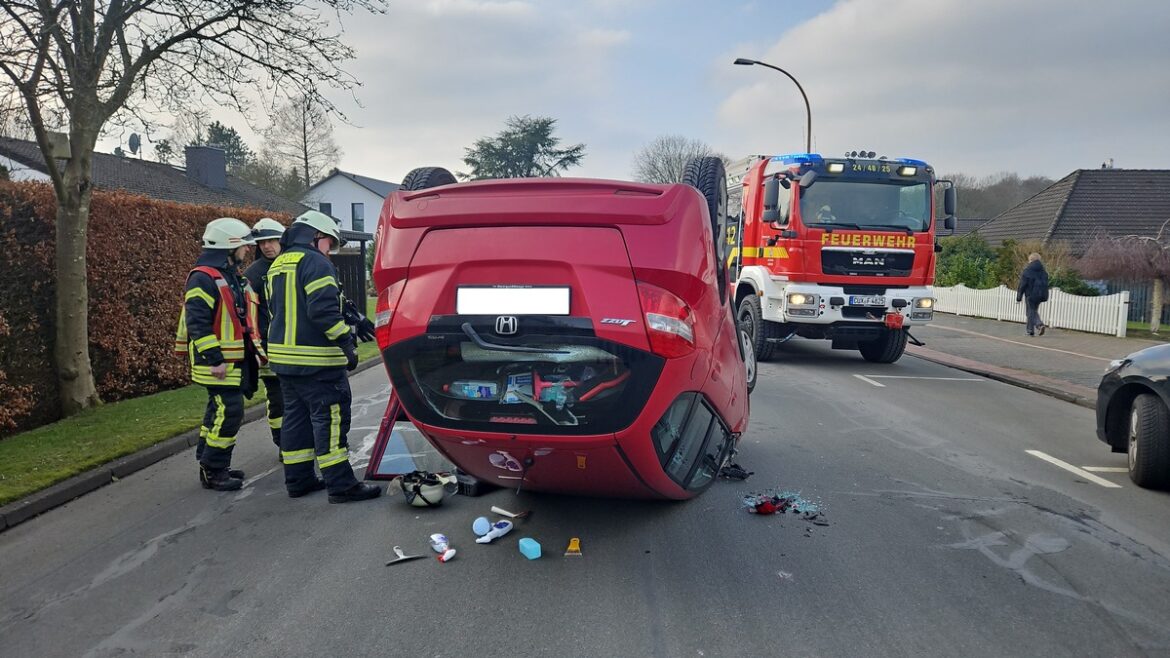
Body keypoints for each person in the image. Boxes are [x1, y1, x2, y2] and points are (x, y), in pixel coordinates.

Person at [266, 210, 382, 503]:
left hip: (284, 360)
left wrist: (359, 321)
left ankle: (299, 480)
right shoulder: (316, 263)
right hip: (317, 362)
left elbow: (283, 308)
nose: (330, 249)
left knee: (295, 421)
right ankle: (341, 485)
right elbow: (322, 311)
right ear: (316, 236)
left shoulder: (279, 264)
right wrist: (346, 341)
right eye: (330, 242)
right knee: (329, 420)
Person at [174, 217, 261, 491]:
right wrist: (216, 359)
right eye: (243, 247)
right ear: (229, 247)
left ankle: (211, 463)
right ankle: (214, 469)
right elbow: (197, 323)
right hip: (217, 363)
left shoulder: (229, 277)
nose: (247, 251)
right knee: (230, 412)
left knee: (218, 410)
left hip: (230, 361)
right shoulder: (203, 277)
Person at [244, 217, 286, 454]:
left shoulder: (291, 264)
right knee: (277, 397)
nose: (267, 246)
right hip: (268, 347)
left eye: (271, 241)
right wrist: (260, 349)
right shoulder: (253, 274)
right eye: (262, 243)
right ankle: (283, 442)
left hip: (292, 345)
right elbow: (250, 317)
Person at [1017, 252, 1050, 336]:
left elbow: (1022, 285)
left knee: (1030, 312)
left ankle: (1039, 325)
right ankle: (1030, 330)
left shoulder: (1027, 271)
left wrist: (1019, 297)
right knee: (1033, 311)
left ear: (1030, 260)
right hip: (1041, 295)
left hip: (1030, 294)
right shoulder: (1044, 272)